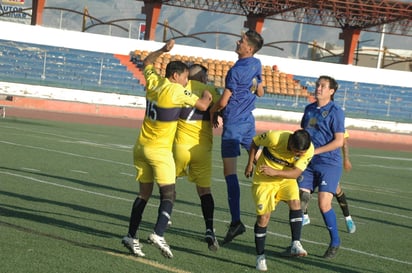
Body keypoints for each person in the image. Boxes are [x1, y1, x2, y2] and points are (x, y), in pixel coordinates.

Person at [121, 40, 213, 258]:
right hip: (159, 151)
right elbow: (203, 105)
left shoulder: (154, 82)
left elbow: (147, 62)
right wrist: (208, 94)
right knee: (168, 194)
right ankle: (158, 233)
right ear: (175, 76)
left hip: (141, 147)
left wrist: (162, 50)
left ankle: (131, 236)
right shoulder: (175, 90)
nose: (186, 82)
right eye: (184, 78)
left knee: (144, 194)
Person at [209, 29, 264, 245]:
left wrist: (213, 112)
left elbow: (223, 102)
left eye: (241, 41)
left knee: (229, 173)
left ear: (248, 47)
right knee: (262, 161)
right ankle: (292, 194)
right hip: (248, 122)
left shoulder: (235, 71)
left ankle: (236, 222)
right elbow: (260, 92)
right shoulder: (257, 63)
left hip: (232, 125)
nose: (237, 42)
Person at [245, 129, 314, 271]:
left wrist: (275, 172)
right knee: (264, 217)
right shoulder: (274, 137)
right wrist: (250, 163)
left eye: (301, 154)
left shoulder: (308, 149)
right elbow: (254, 142)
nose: (299, 156)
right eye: (297, 153)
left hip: (285, 179)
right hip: (264, 180)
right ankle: (260, 257)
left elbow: (295, 173)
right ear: (290, 144)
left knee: (296, 203)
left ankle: (296, 244)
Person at [173, 64, 220, 251]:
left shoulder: (178, 88)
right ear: (202, 77)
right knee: (204, 191)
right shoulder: (210, 90)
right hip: (202, 148)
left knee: (169, 181)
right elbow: (223, 106)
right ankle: (209, 228)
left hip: (180, 146)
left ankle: (165, 216)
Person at [299, 75, 345, 259]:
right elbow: (303, 133)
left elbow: (339, 141)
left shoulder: (336, 111)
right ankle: (296, 244)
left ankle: (335, 242)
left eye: (323, 86)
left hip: (329, 163)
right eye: (318, 85)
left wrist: (315, 152)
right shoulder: (309, 109)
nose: (318, 88)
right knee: (299, 202)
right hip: (308, 163)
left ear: (331, 91)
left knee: (323, 204)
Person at [302, 130, 356, 234]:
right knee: (303, 191)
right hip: (312, 163)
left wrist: (346, 159)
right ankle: (304, 216)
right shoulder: (314, 120)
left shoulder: (336, 123)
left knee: (337, 190)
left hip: (328, 164)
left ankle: (348, 219)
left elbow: (344, 143)